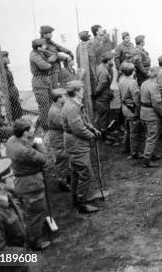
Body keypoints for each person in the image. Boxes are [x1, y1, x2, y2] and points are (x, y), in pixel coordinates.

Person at [5, 118, 51, 250]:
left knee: (28, 212)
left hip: (20, 182)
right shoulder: (25, 151)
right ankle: (35, 243)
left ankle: (29, 235)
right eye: (31, 128)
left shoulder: (11, 141)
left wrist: (30, 142)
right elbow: (44, 159)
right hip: (31, 185)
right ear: (25, 132)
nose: (34, 129)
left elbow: (25, 148)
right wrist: (39, 142)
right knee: (36, 214)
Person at [62, 79, 101, 213]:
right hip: (76, 143)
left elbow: (83, 120)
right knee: (86, 173)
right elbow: (78, 129)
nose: (83, 91)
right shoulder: (71, 108)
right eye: (82, 89)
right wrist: (92, 135)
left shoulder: (75, 104)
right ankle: (81, 204)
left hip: (76, 142)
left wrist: (92, 128)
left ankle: (76, 199)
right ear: (77, 92)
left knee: (76, 173)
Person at [139, 68, 162, 168]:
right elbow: (156, 103)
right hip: (151, 114)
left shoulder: (144, 83)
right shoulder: (154, 86)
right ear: (157, 76)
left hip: (143, 112)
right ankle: (147, 159)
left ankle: (150, 152)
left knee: (148, 135)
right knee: (152, 136)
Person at [47, 87, 70, 192]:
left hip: (61, 136)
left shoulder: (58, 107)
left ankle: (67, 178)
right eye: (64, 96)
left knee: (66, 158)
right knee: (62, 160)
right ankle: (62, 183)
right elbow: (64, 125)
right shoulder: (55, 111)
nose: (66, 97)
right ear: (59, 98)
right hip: (58, 138)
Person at [30, 38, 55, 132]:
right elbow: (44, 66)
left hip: (45, 80)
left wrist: (50, 58)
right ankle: (45, 127)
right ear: (39, 47)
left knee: (50, 103)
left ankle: (49, 123)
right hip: (39, 82)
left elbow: (54, 55)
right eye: (44, 45)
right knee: (44, 106)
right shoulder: (34, 55)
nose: (45, 46)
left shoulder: (41, 52)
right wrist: (50, 62)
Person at [118, 63, 143, 159]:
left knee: (127, 129)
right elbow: (136, 98)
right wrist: (139, 110)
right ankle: (135, 152)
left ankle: (125, 147)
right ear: (133, 71)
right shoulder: (132, 82)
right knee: (135, 132)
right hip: (132, 109)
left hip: (125, 108)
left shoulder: (121, 80)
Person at [93, 51, 115, 140]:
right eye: (112, 59)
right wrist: (96, 94)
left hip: (103, 96)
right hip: (102, 97)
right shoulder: (104, 72)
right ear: (108, 60)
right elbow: (101, 86)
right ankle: (104, 136)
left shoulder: (102, 66)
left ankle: (103, 132)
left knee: (103, 116)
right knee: (104, 116)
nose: (113, 61)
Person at [0, 51, 23, 120]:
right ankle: (16, 120)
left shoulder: (6, 68)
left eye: (7, 57)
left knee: (17, 106)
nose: (8, 59)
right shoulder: (2, 70)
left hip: (13, 89)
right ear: (2, 59)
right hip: (10, 90)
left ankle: (19, 119)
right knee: (14, 107)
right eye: (6, 57)